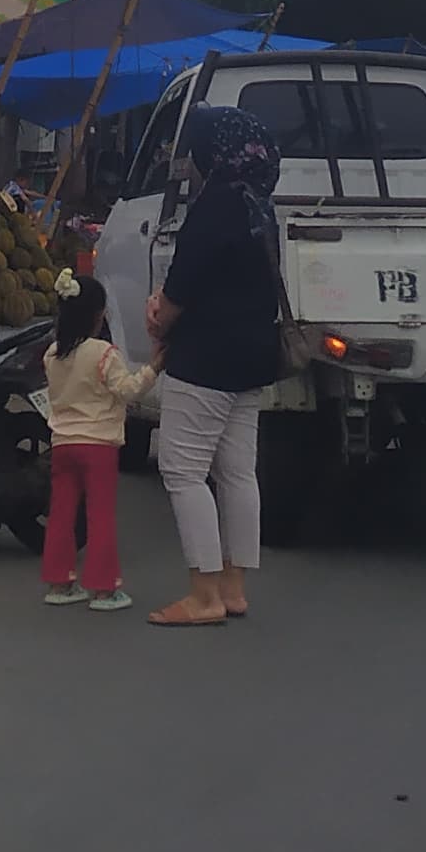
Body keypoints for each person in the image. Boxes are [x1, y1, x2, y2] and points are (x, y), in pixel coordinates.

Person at [144, 104, 283, 630]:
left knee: (182, 470)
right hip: (252, 355)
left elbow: (183, 286)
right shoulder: (259, 206)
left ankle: (203, 594)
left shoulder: (215, 207)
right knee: (236, 471)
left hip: (206, 356)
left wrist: (159, 315)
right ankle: (233, 586)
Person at [34, 272, 153, 612]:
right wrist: (154, 368)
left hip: (63, 444)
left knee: (61, 514)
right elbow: (129, 391)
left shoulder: (52, 354)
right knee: (100, 515)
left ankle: (59, 582)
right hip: (98, 445)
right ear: (98, 315)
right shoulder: (103, 353)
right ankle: (104, 588)